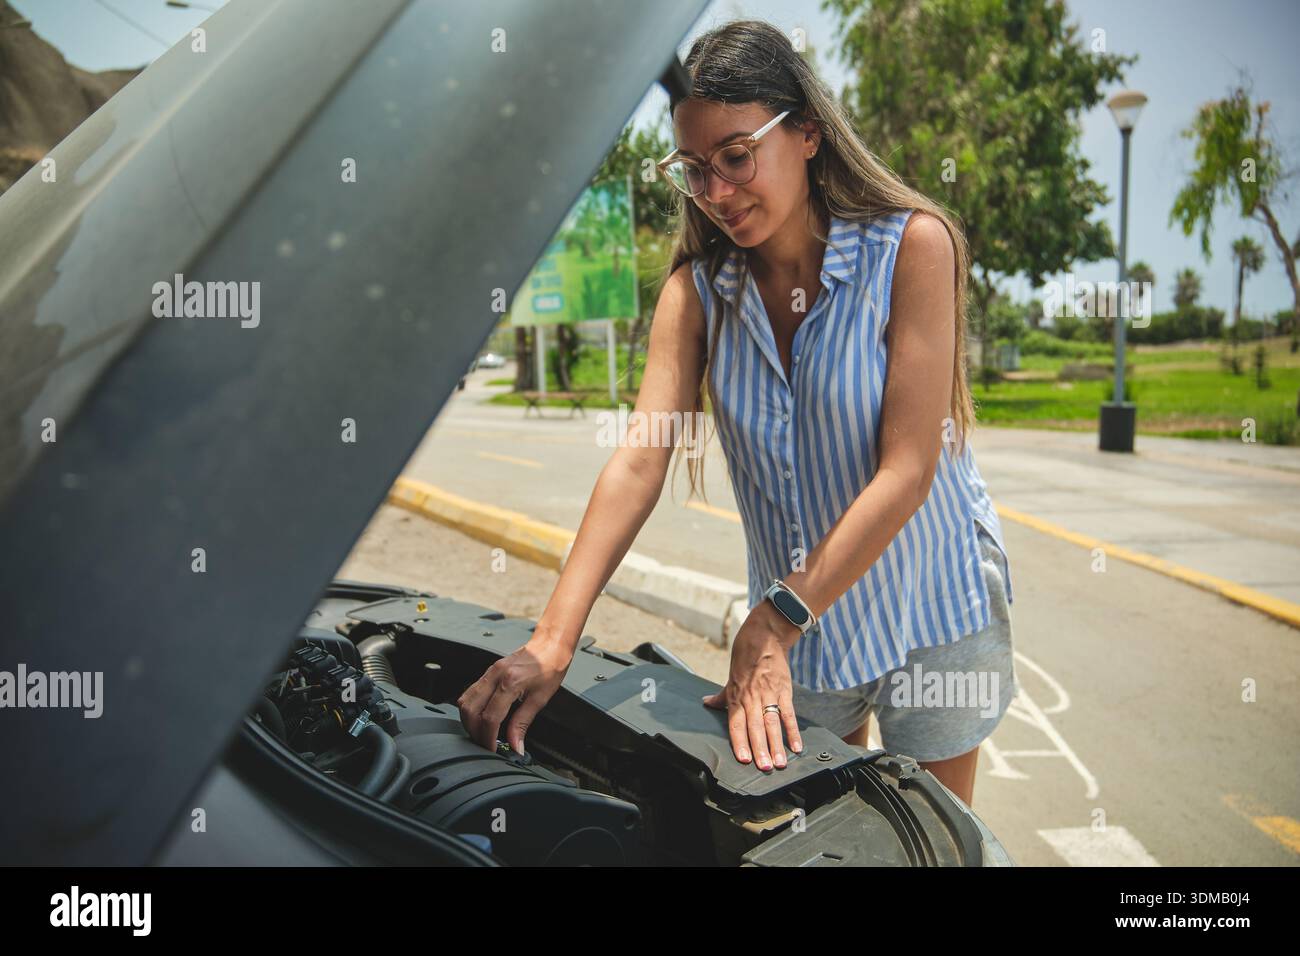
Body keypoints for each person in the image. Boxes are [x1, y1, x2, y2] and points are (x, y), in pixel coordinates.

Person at [458, 19, 1018, 806]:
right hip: (801, 631)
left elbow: (909, 470)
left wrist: (775, 620)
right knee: (819, 837)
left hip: (927, 602)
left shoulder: (913, 250)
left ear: (809, 135)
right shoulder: (696, 296)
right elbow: (639, 460)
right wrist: (552, 642)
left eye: (736, 156)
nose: (716, 192)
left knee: (929, 840)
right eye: (694, 169)